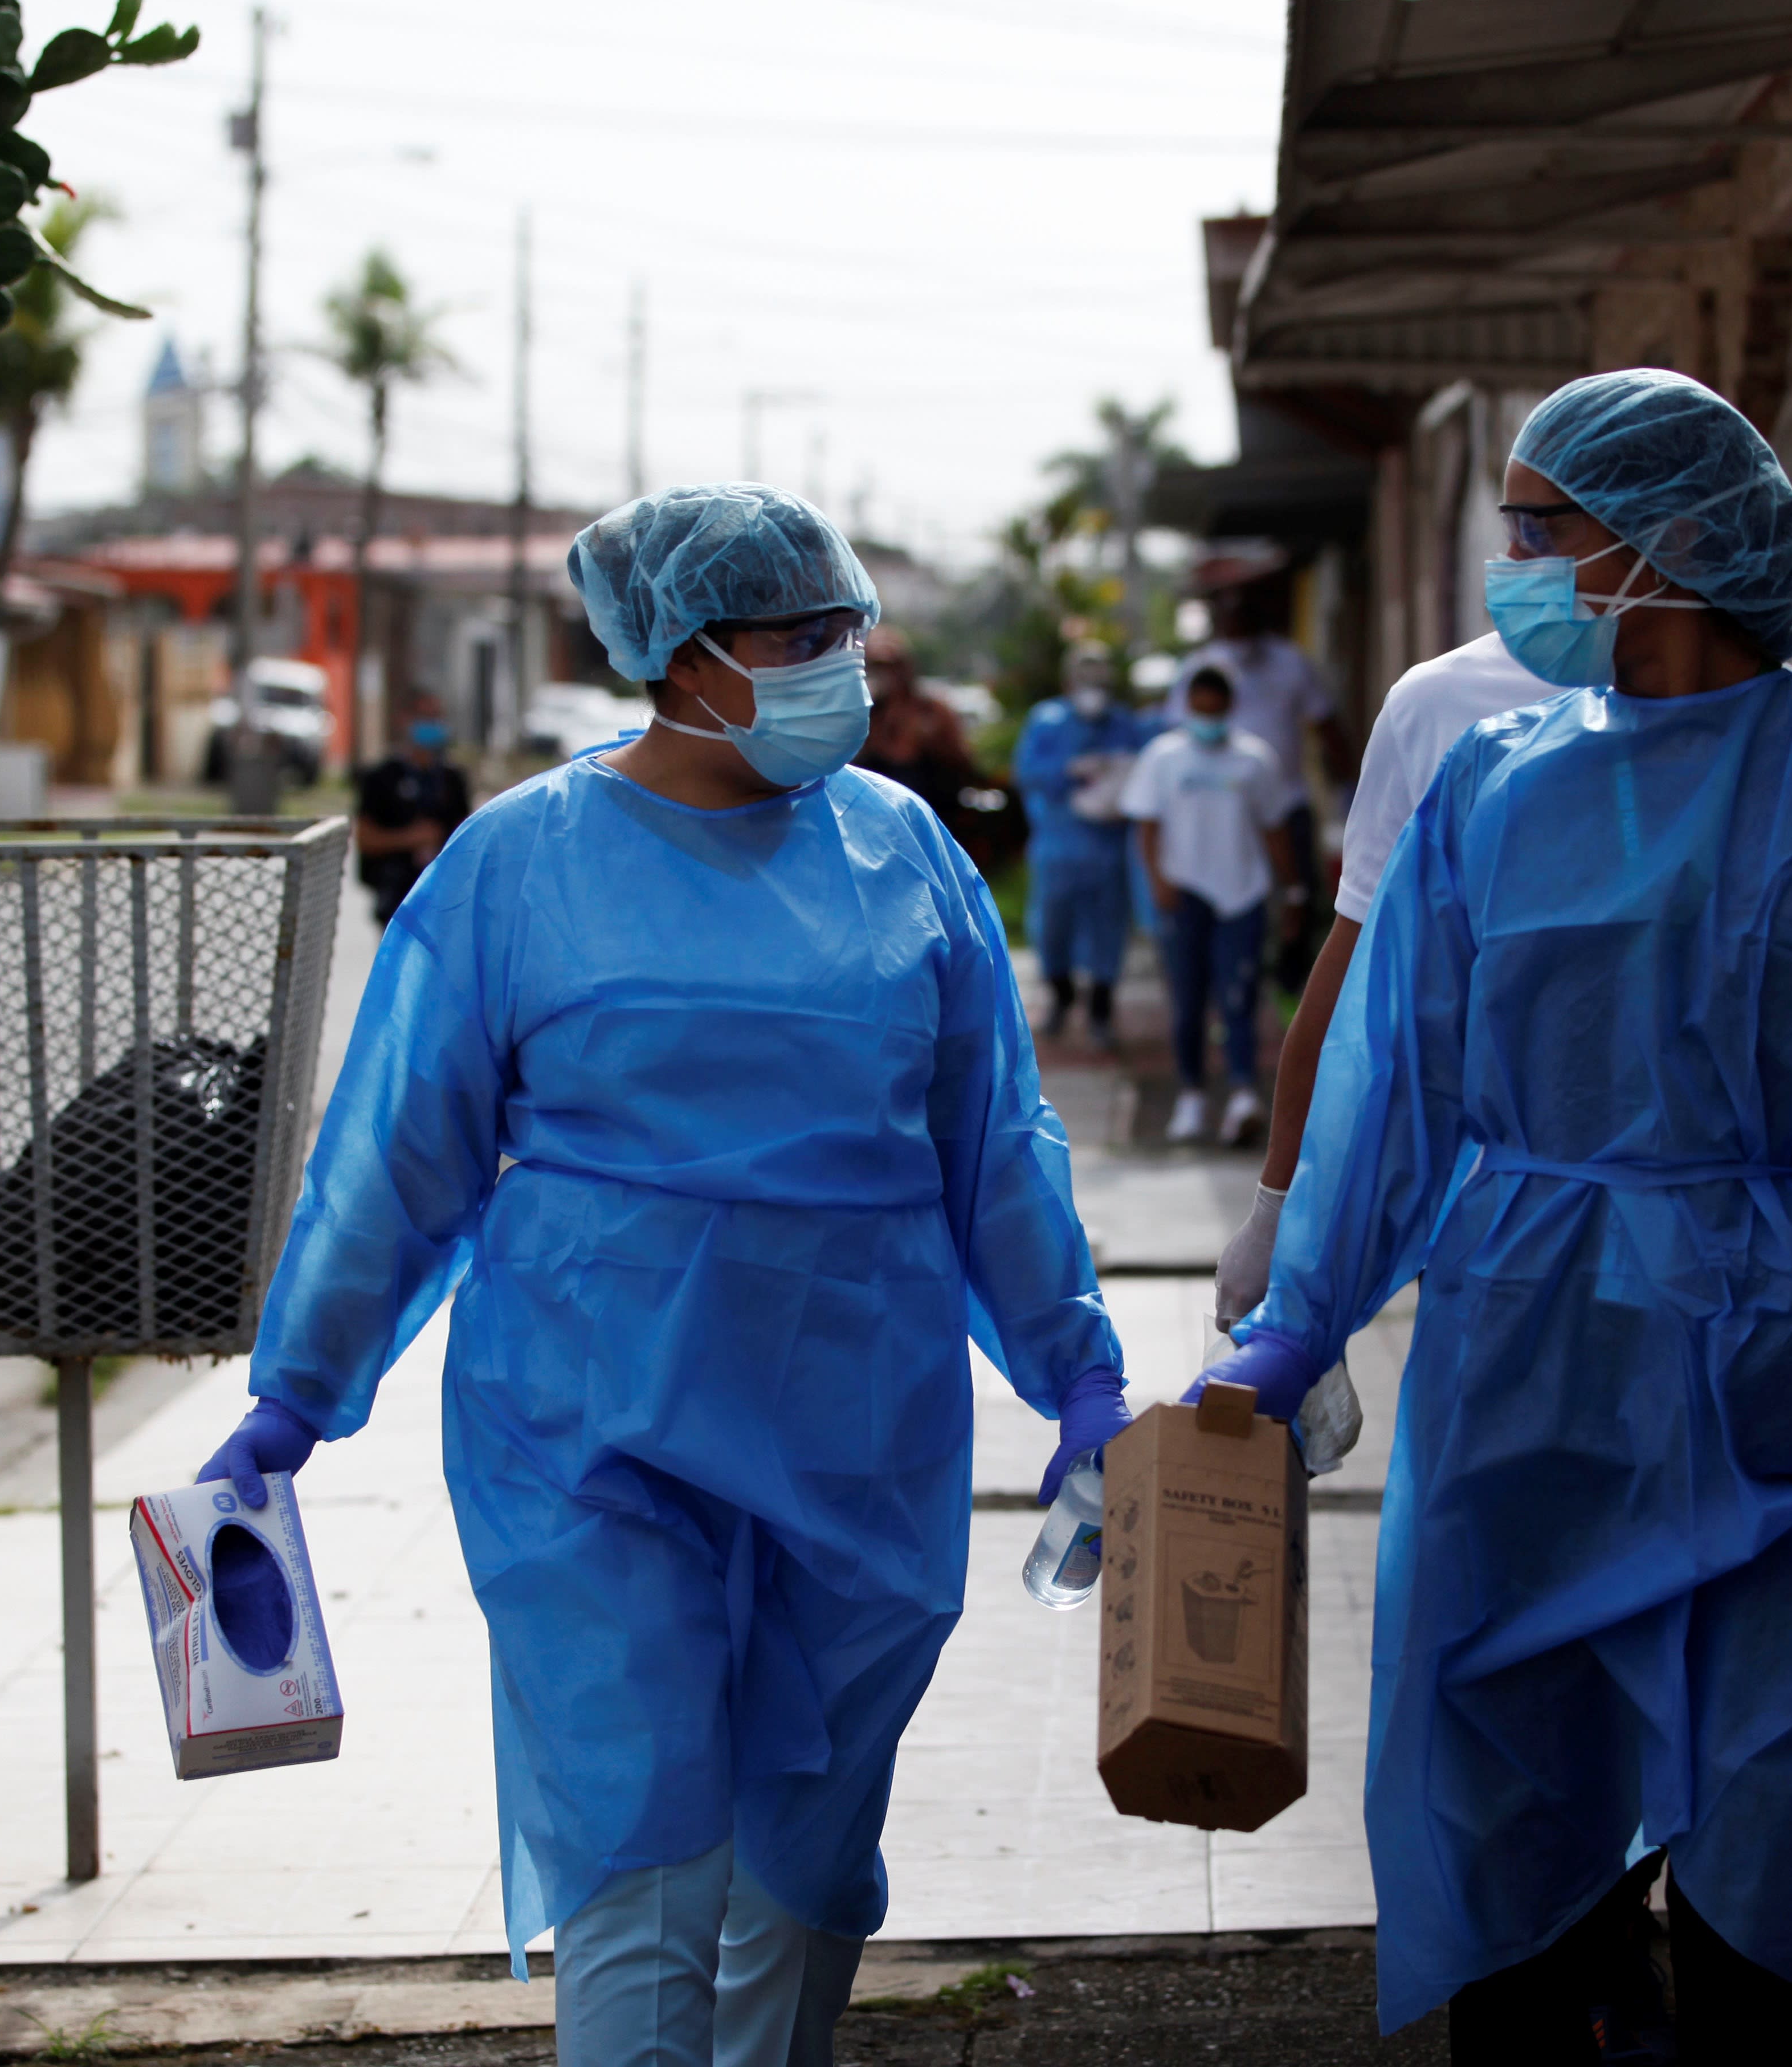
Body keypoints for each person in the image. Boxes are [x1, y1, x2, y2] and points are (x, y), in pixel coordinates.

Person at [1187, 370, 1792, 2061]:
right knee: (1504, 1788)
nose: (1516, 567)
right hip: (1532, 1354)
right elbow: (1400, 1085)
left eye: (1542, 530)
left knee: (1777, 1787)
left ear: (1668, 544)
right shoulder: (1495, 789)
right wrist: (1295, 1321)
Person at [197, 483, 1130, 2067]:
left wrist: (1081, 1372)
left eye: (847, 630)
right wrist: (297, 1396)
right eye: (796, 636)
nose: (838, 662)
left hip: (861, 1425)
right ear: (681, 653)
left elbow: (996, 1145)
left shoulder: (904, 854)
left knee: (812, 1847)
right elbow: (396, 1160)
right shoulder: (518, 866)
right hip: (588, 1421)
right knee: (642, 1842)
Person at [1211, 630, 1560, 1335]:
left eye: (1550, 530)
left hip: (1733, 1224)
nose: (1523, 560)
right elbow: (1358, 960)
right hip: (1495, 1195)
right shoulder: (1449, 707)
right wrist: (1281, 1207)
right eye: (1517, 530)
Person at [1119, 663, 1299, 1148]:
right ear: (1187, 705)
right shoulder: (1164, 757)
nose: (1208, 717)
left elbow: (1275, 828)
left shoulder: (1254, 759)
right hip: (1185, 892)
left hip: (1242, 893)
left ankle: (1243, 1092)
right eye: (1200, 708)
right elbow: (1147, 826)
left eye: (1216, 709)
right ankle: (1193, 1095)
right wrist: (1158, 883)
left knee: (1239, 998)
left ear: (1230, 707)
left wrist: (1293, 891)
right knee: (1187, 1002)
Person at [1180, 552, 1353, 994]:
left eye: (1245, 604)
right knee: (1231, 899)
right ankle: (1236, 986)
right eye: (1227, 605)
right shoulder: (1200, 669)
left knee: (1297, 895)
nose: (1236, 615)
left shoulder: (1291, 663)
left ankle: (1292, 986)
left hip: (1285, 802)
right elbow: (1174, 738)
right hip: (1222, 808)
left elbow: (1327, 727)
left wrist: (1350, 794)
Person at [1010, 642, 1146, 1049]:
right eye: (1084, 676)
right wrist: (1070, 770)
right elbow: (1027, 771)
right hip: (1058, 848)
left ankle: (1101, 1009)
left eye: (1099, 676)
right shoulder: (1048, 721)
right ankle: (1060, 996)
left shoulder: (1124, 724)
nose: (1092, 685)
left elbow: (1143, 772)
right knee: (1052, 928)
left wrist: (1120, 786)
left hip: (1108, 849)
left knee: (1108, 930)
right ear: (1069, 680)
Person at [351, 690, 472, 927]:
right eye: (424, 717)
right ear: (405, 720)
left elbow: (468, 834)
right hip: (396, 894)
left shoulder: (452, 778)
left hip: (445, 898)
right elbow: (366, 839)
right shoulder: (382, 777)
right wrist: (409, 839)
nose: (431, 725)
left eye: (436, 717)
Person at [853, 629, 974, 820]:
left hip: (936, 811)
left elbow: (962, 761)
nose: (888, 674)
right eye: (880, 666)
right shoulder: (866, 714)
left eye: (894, 665)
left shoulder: (932, 710)